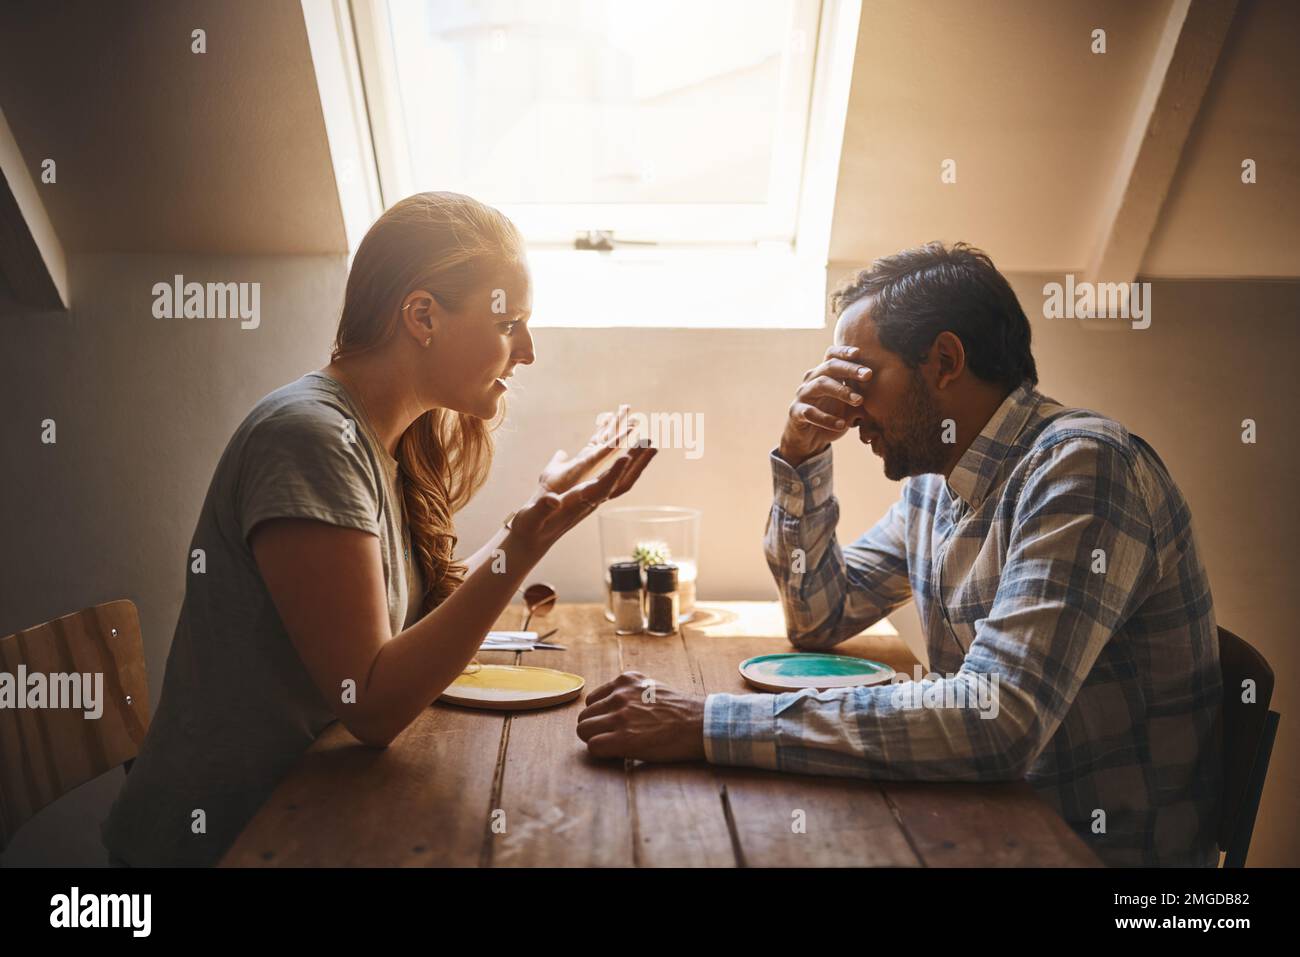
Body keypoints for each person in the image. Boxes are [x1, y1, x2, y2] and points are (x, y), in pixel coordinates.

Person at [576, 241, 1222, 867]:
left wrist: (706, 721)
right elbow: (820, 616)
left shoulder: (1083, 468)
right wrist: (801, 457)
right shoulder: (940, 482)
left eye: (858, 374)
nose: (850, 408)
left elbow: (995, 722)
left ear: (943, 360)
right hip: (980, 816)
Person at [103, 192, 656, 866]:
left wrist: (535, 514)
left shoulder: (382, 440)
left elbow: (416, 626)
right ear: (422, 315)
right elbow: (368, 703)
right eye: (509, 322)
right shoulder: (309, 439)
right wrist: (526, 541)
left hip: (315, 807)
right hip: (226, 841)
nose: (528, 351)